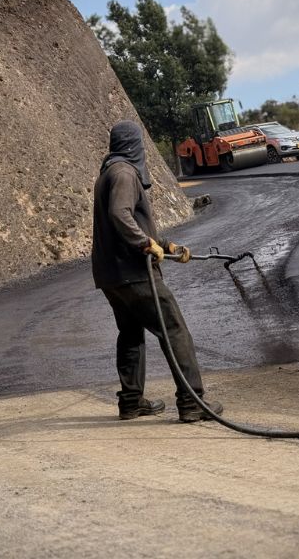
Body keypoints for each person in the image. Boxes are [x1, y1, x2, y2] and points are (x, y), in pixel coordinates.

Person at [91, 120, 223, 422]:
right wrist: (144, 244)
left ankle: (130, 402)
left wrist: (166, 245)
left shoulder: (108, 173)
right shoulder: (124, 173)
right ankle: (192, 402)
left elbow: (132, 222)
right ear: (133, 145)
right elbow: (120, 214)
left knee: (130, 333)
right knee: (174, 329)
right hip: (133, 272)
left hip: (111, 275)